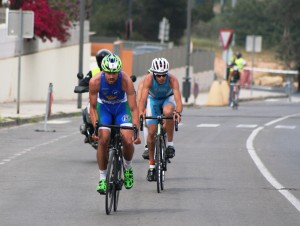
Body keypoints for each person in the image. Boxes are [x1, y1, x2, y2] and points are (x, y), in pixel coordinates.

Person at [89, 54, 141, 194]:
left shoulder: (126, 81)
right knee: (103, 139)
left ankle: (128, 168)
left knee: (127, 139)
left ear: (119, 71)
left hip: (121, 108)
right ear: (103, 71)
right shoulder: (95, 82)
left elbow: (134, 108)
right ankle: (102, 178)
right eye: (108, 72)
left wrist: (136, 130)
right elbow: (93, 108)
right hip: (104, 108)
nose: (111, 76)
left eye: (114, 72)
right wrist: (96, 127)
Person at [139, 57, 182, 181]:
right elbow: (142, 99)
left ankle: (170, 144)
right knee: (151, 133)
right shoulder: (148, 79)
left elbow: (178, 100)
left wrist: (178, 112)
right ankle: (151, 166)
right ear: (153, 73)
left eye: (164, 75)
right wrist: (141, 112)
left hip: (167, 99)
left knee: (169, 112)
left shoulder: (172, 79)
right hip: (153, 101)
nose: (162, 78)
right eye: (158, 75)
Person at [79, 49, 112, 143]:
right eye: (101, 61)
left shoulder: (115, 71)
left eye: (105, 60)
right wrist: (82, 87)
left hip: (112, 99)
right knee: (87, 110)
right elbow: (83, 82)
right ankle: (89, 130)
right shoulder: (93, 72)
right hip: (96, 98)